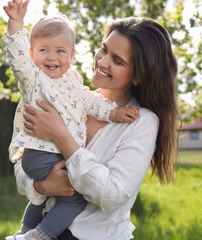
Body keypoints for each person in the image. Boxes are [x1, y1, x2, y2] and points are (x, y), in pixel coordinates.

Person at [13, 15, 180, 240]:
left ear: (139, 75)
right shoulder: (69, 98)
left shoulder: (142, 121)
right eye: (104, 49)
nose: (102, 62)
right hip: (39, 229)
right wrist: (41, 186)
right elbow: (22, 156)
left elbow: (112, 195)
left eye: (117, 60)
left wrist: (61, 136)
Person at [3, 0, 139, 240]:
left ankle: (25, 230)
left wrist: (114, 113)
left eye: (60, 51)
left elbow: (90, 101)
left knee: (50, 196)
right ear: (32, 53)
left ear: (72, 55)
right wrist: (16, 22)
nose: (52, 57)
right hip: (41, 152)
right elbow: (17, 57)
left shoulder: (73, 81)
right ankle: (39, 235)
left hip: (52, 153)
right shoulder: (34, 80)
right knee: (75, 198)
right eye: (43, 50)